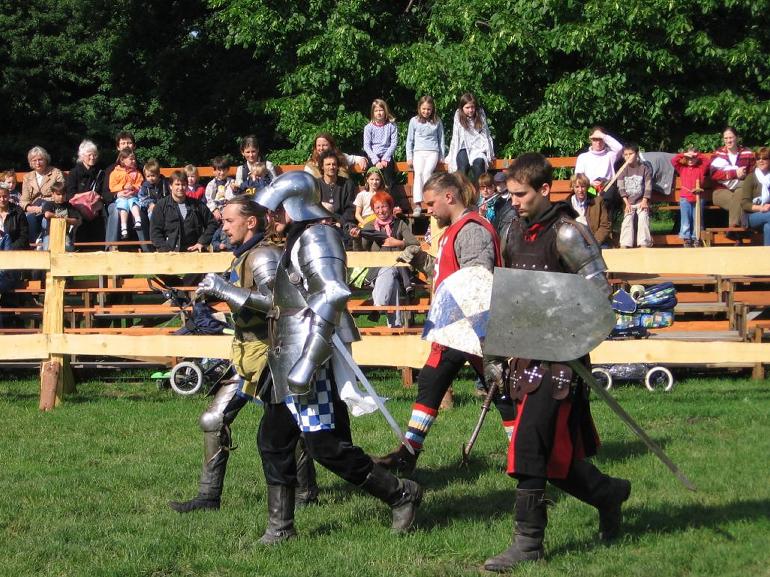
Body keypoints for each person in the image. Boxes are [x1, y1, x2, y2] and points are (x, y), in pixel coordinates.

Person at [252, 170, 422, 543]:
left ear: (293, 206)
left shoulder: (317, 236)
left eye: (276, 209)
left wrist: (307, 363)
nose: (270, 217)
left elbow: (332, 294)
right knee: (273, 439)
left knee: (324, 446)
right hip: (286, 354)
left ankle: (400, 493)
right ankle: (281, 528)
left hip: (308, 356)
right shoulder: (297, 238)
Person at [481, 152, 630, 572]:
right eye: (511, 194)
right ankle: (609, 493)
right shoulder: (512, 230)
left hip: (561, 361)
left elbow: (599, 295)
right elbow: (507, 296)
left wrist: (558, 326)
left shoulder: (568, 234)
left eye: (521, 194)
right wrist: (495, 354)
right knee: (553, 459)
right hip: (525, 357)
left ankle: (528, 543)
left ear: (545, 189)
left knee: (529, 444)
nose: (514, 202)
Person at [169, 196, 318, 513]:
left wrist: (224, 290)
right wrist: (213, 294)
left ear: (250, 222)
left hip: (272, 352)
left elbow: (277, 302)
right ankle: (209, 497)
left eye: (228, 221)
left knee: (289, 425)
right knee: (214, 419)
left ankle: (305, 492)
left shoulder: (263, 255)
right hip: (247, 351)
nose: (223, 227)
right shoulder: (243, 255)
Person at [375, 171, 516, 474]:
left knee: (500, 390)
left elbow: (477, 282)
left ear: (449, 197)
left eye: (431, 203)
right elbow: (448, 273)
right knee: (434, 382)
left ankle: (524, 453)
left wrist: (485, 342)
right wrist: (420, 260)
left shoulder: (472, 230)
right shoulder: (455, 230)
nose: (428, 210)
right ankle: (409, 452)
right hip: (456, 326)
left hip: (471, 327)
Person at [350, 191, 418, 328]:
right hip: (375, 273)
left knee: (390, 270)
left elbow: (415, 244)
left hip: (401, 272)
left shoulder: (400, 224)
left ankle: (379, 306)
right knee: (390, 276)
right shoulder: (369, 226)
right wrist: (356, 239)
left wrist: (399, 243)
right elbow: (361, 251)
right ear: (373, 210)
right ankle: (395, 326)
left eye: (384, 206)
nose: (381, 211)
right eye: (377, 208)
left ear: (390, 207)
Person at [150, 170, 218, 253]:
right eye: (177, 184)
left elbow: (213, 223)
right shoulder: (161, 206)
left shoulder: (197, 205)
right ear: (170, 186)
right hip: (170, 253)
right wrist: (165, 250)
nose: (181, 188)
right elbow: (155, 232)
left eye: (183, 184)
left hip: (195, 253)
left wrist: (202, 242)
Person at [406, 95, 445, 217]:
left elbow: (441, 139)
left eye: (428, 109)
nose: (426, 111)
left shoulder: (437, 121)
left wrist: (442, 156)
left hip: (433, 151)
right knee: (418, 173)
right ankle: (418, 204)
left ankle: (429, 203)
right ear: (419, 108)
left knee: (427, 173)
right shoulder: (414, 121)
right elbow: (409, 140)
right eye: (424, 109)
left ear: (432, 109)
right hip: (418, 152)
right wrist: (409, 157)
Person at [710, 126, 755, 229]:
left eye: (731, 137)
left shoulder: (747, 153)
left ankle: (733, 230)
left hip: (741, 189)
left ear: (737, 138)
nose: (728, 141)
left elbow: (753, 174)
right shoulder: (718, 154)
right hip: (720, 191)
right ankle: (741, 229)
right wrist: (734, 173)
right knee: (741, 203)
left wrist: (745, 175)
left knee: (740, 194)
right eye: (725, 138)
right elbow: (713, 174)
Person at [101, 131, 142, 244]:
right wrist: (117, 194)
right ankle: (111, 246)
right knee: (116, 210)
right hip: (116, 201)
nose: (126, 146)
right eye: (123, 143)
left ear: (134, 146)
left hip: (136, 199)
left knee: (140, 210)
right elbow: (105, 193)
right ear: (118, 147)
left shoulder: (140, 168)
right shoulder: (111, 169)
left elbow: (145, 186)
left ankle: (147, 248)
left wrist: (135, 192)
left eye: (129, 143)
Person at [574, 127, 623, 218]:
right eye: (595, 139)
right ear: (590, 140)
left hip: (606, 187)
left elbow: (620, 148)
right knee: (588, 196)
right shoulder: (583, 157)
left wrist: (603, 136)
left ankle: (605, 223)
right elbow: (578, 177)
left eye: (600, 139)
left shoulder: (610, 155)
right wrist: (590, 183)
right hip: (590, 187)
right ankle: (590, 221)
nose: (598, 142)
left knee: (607, 196)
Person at [19, 146, 65, 242]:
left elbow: (61, 193)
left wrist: (44, 207)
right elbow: (23, 201)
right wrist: (33, 208)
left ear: (46, 160)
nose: (37, 163)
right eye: (34, 160)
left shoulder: (55, 173)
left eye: (40, 159)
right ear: (31, 162)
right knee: (28, 218)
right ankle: (33, 245)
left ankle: (46, 244)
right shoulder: (27, 177)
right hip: (34, 209)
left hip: (53, 207)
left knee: (46, 218)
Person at [447, 92, 494, 182]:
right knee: (463, 165)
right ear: (462, 108)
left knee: (479, 164)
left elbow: (486, 134)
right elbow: (456, 137)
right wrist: (452, 155)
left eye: (472, 107)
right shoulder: (458, 115)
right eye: (467, 107)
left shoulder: (480, 113)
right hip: (463, 147)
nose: (470, 110)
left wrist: (490, 153)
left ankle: (479, 189)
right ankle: (462, 189)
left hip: (478, 148)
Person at [66, 140, 105, 244]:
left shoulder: (100, 173)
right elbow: (70, 195)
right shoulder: (74, 173)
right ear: (82, 156)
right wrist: (85, 198)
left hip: (96, 208)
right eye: (89, 155)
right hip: (77, 207)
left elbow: (103, 193)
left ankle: (101, 247)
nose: (92, 157)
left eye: (95, 155)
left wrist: (97, 203)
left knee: (101, 217)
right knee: (79, 219)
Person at [671, 147, 709, 247]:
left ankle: (697, 237)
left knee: (697, 218)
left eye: (693, 158)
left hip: (698, 197)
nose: (691, 160)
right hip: (685, 197)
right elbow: (673, 161)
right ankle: (686, 238)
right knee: (685, 218)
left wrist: (696, 154)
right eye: (688, 158)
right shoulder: (682, 168)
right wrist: (684, 154)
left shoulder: (701, 168)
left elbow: (707, 161)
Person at [617, 144, 653, 248]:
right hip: (628, 202)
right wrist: (626, 203)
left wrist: (645, 201)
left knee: (643, 217)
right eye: (625, 154)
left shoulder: (644, 168)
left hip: (641, 201)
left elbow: (648, 186)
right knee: (627, 218)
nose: (628, 156)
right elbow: (620, 187)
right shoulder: (622, 170)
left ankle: (644, 242)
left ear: (637, 154)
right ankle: (625, 243)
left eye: (630, 154)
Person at [315, 149, 357, 236]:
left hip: (342, 225)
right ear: (322, 166)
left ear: (338, 166)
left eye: (334, 164)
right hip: (320, 224)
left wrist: (340, 222)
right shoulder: (316, 185)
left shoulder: (347, 184)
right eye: (328, 164)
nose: (331, 167)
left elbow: (351, 209)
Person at [0, 184, 29, 307]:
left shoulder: (18, 212)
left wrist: (9, 250)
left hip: (13, 254)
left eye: (5, 196)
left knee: (6, 273)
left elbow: (24, 237)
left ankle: (8, 309)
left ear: (9, 196)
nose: (2, 199)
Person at [363, 99, 398, 191]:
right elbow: (366, 146)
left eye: (381, 110)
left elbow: (394, 143)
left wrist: (385, 159)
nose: (379, 113)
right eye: (376, 111)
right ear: (373, 112)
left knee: (389, 180)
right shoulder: (368, 127)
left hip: (387, 156)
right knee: (372, 178)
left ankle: (387, 198)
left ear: (385, 111)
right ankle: (372, 198)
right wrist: (376, 161)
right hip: (373, 156)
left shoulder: (391, 126)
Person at [109, 148, 144, 240]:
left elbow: (140, 184)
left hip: (133, 196)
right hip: (122, 197)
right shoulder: (115, 173)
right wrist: (123, 186)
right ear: (122, 160)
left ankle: (138, 220)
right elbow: (112, 187)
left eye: (134, 159)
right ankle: (123, 227)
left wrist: (134, 187)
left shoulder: (137, 173)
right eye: (131, 159)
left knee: (134, 204)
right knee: (123, 206)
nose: (133, 161)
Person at [568, 173, 611, 247]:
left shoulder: (598, 202)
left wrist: (594, 242)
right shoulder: (567, 205)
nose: (580, 190)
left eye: (583, 187)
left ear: (587, 187)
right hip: (574, 243)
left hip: (594, 241)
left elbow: (605, 226)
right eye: (577, 187)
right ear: (572, 187)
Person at [738, 147, 770, 245]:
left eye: (764, 158)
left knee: (768, 226)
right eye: (758, 158)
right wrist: (761, 208)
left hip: (768, 215)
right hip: (751, 216)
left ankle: (767, 252)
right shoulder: (751, 177)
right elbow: (745, 204)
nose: (761, 161)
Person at [40, 181, 81, 251]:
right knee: (47, 249)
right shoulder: (49, 204)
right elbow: (47, 214)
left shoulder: (69, 206)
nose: (61, 197)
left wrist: (65, 219)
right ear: (53, 194)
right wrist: (58, 217)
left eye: (63, 194)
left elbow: (76, 221)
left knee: (67, 248)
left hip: (64, 234)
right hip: (50, 234)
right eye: (58, 194)